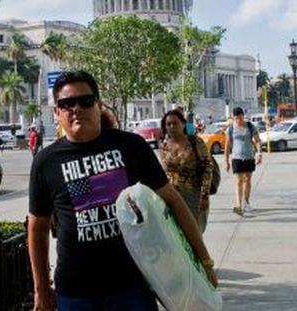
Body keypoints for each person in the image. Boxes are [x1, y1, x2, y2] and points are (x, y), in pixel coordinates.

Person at [27, 71, 217, 311]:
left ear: (98, 104)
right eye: (67, 104)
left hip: (132, 286)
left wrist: (205, 262)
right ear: (57, 112)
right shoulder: (46, 162)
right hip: (76, 293)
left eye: (85, 101)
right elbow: (38, 227)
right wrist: (41, 288)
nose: (76, 108)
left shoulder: (131, 146)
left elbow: (173, 201)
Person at [159, 109, 213, 233]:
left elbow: (207, 168)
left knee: (195, 235)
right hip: (172, 198)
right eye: (168, 124)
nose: (172, 127)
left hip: (194, 195)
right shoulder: (164, 145)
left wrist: (204, 195)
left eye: (175, 123)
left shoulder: (195, 142)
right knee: (176, 237)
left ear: (183, 124)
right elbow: (163, 172)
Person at [224, 107, 262, 217]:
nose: (238, 120)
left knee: (248, 179)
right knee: (238, 180)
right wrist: (226, 161)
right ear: (233, 118)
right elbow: (227, 146)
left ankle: (246, 202)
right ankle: (238, 204)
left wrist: (259, 154)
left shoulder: (250, 126)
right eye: (236, 118)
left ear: (243, 116)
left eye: (240, 118)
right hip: (236, 158)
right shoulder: (231, 129)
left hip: (249, 157)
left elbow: (258, 141)